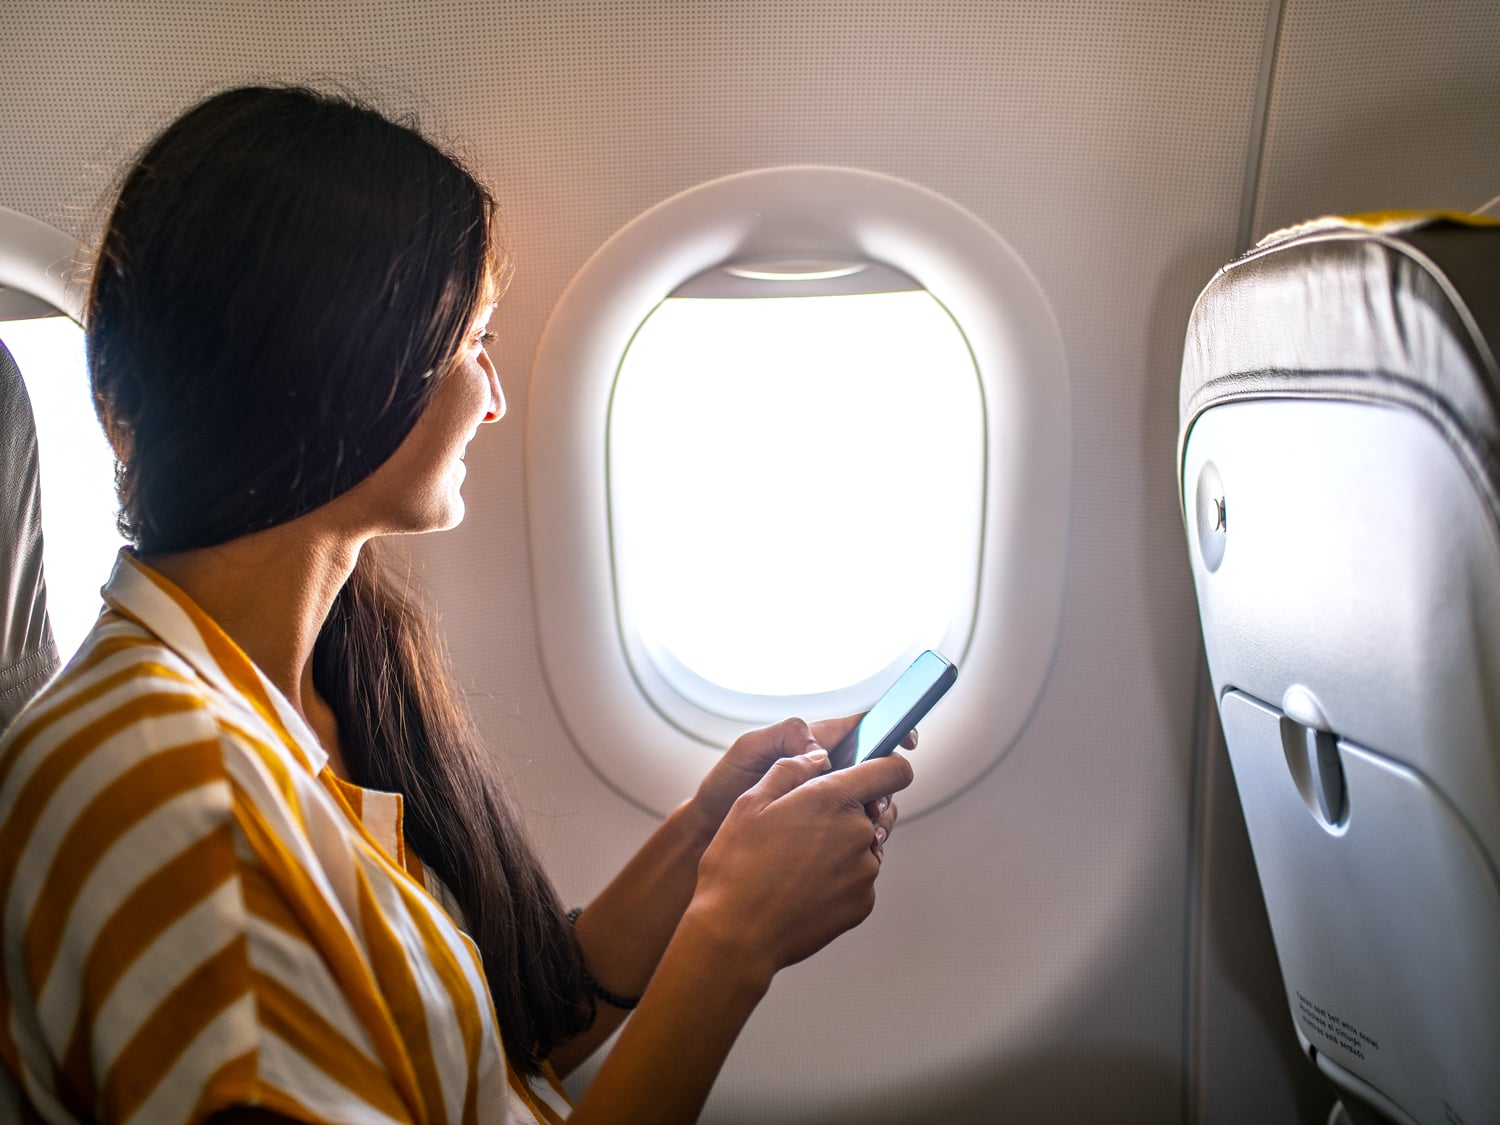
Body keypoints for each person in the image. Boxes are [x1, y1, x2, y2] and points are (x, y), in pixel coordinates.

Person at [0, 85, 914, 1124]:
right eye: (472, 340)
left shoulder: (307, 689)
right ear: (347, 367)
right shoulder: (167, 801)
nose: (496, 393)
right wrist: (732, 942)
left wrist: (706, 837)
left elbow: (484, 1052)